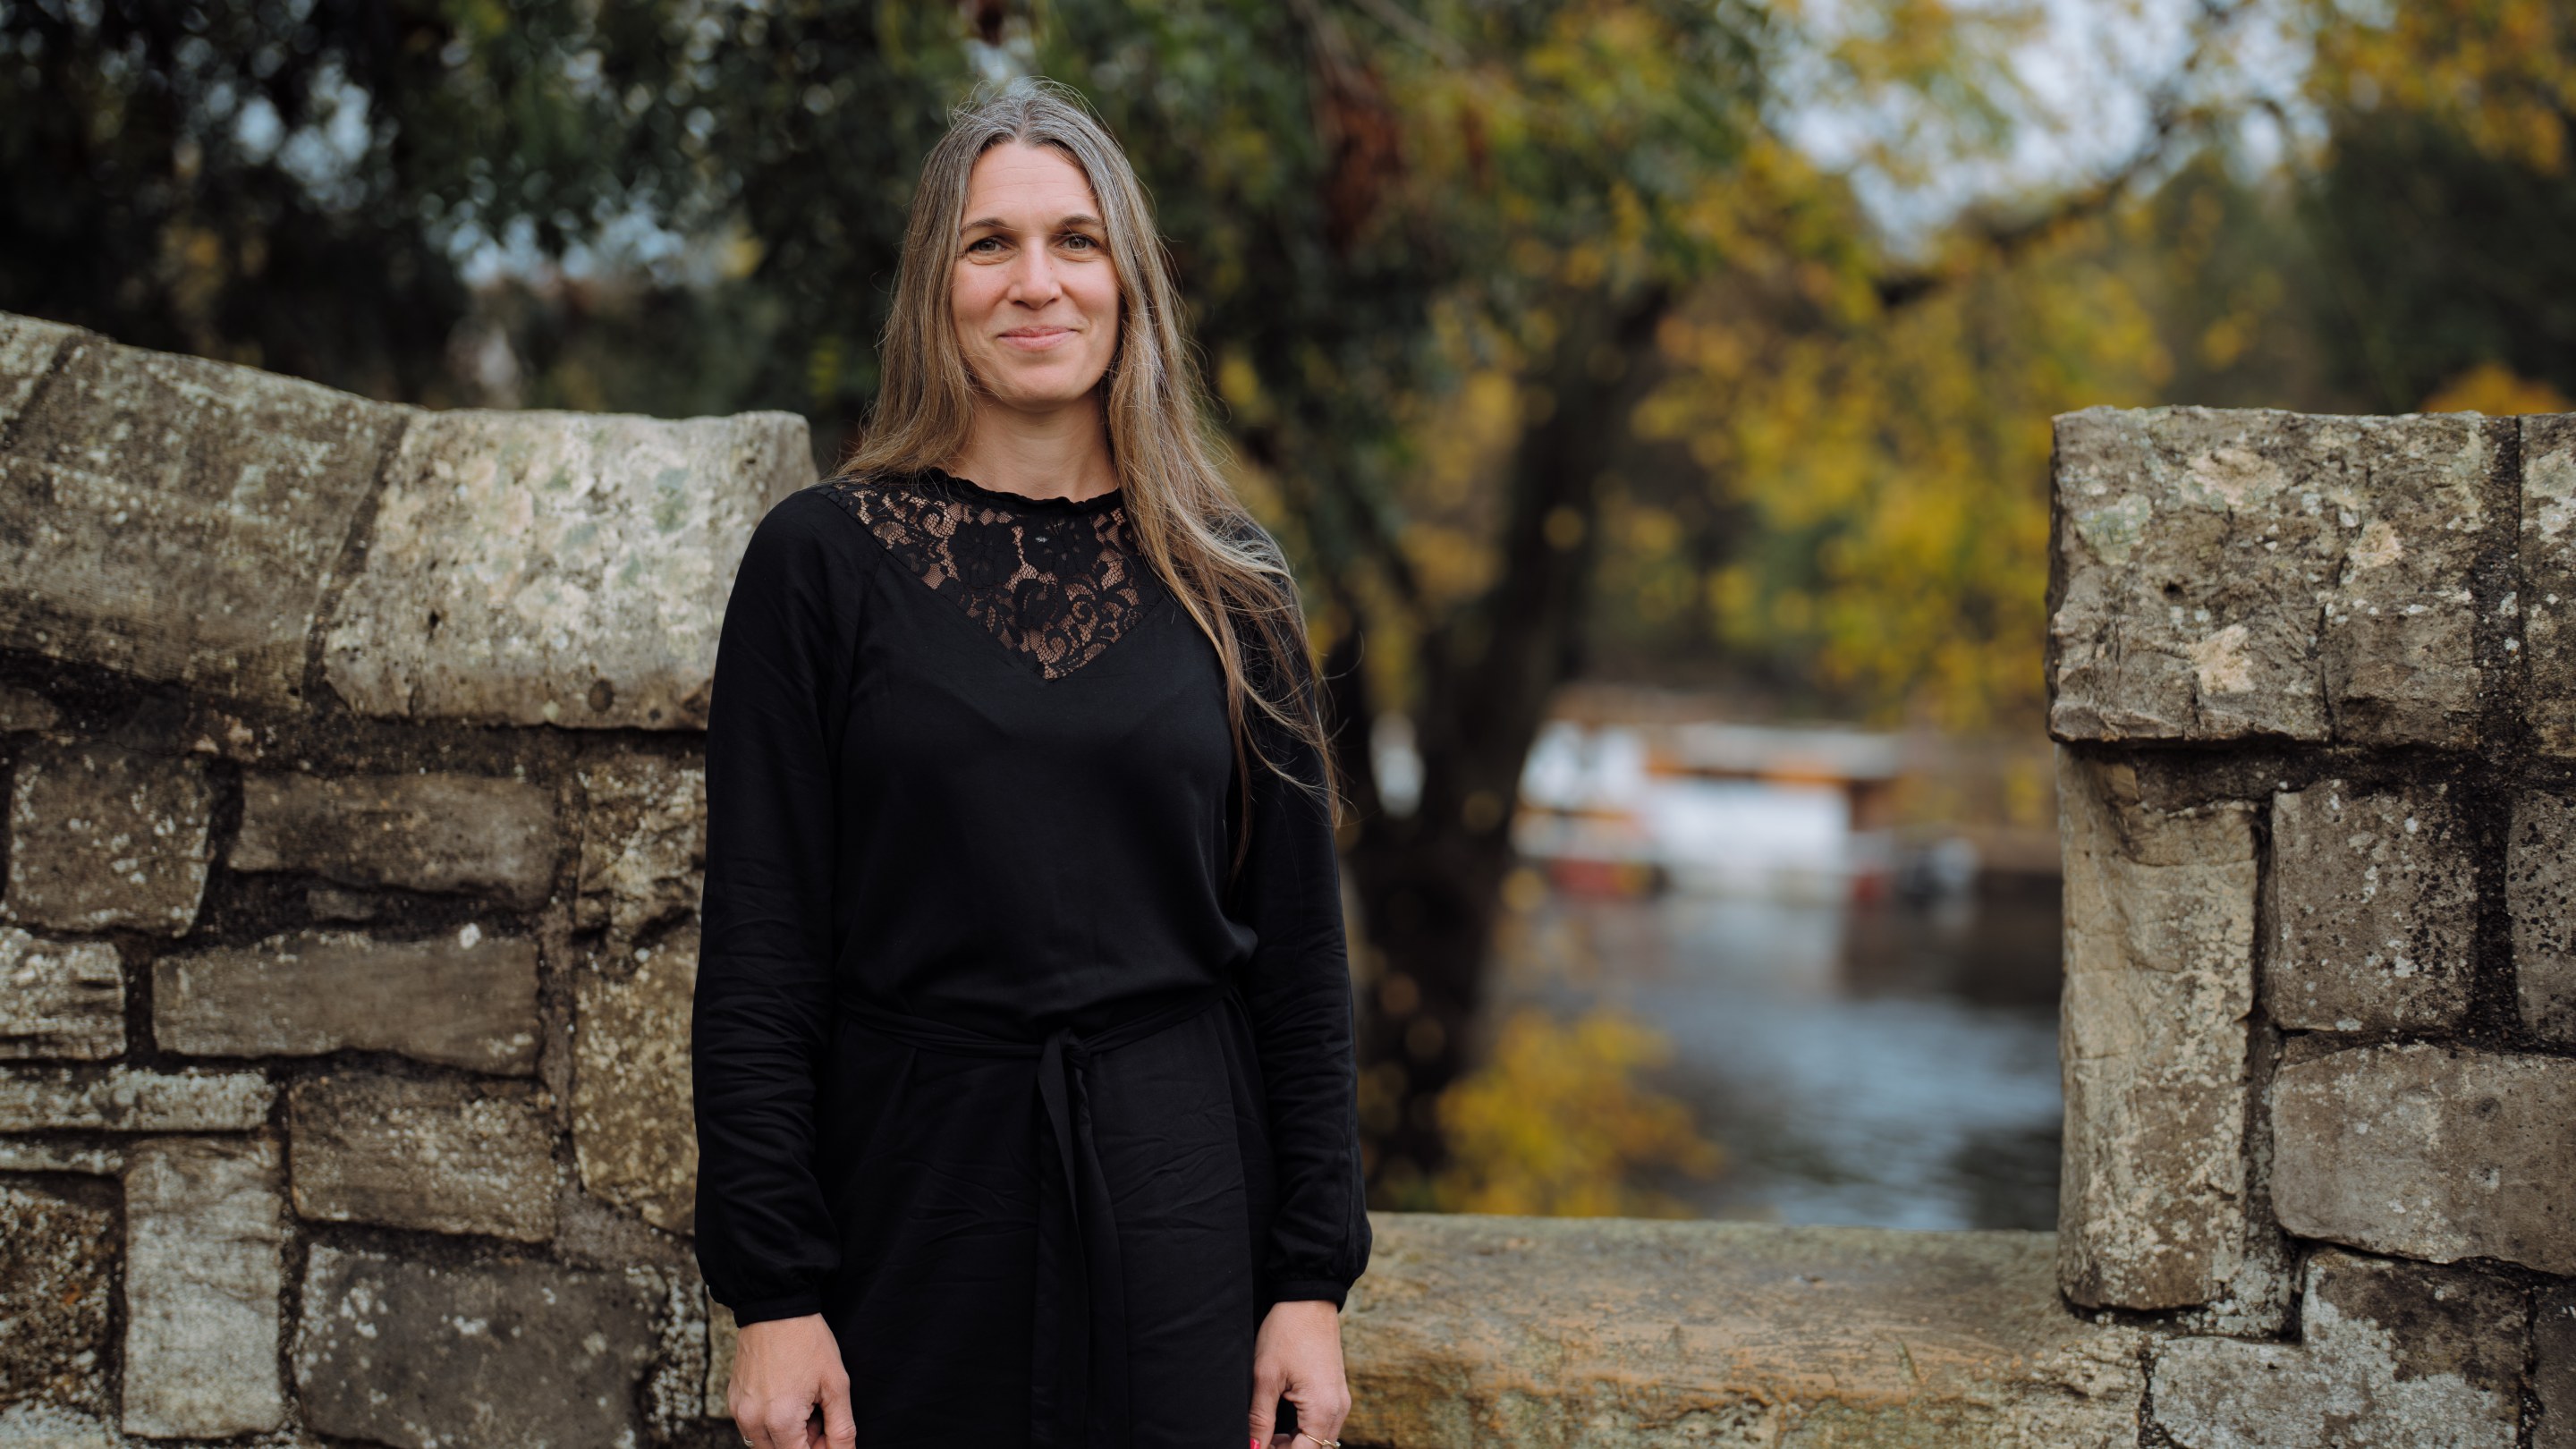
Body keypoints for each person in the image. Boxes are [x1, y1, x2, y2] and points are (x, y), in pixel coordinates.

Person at [690, 78, 1370, 1449]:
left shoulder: (1233, 583)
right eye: (988, 244)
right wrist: (774, 1293)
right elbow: (761, 954)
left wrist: (1308, 1284)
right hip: (915, 1187)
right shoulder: (819, 564)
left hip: (1181, 1189)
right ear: (933, 290)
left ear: (1130, 283)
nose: (1036, 283)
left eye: (1076, 240)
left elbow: (1297, 967)